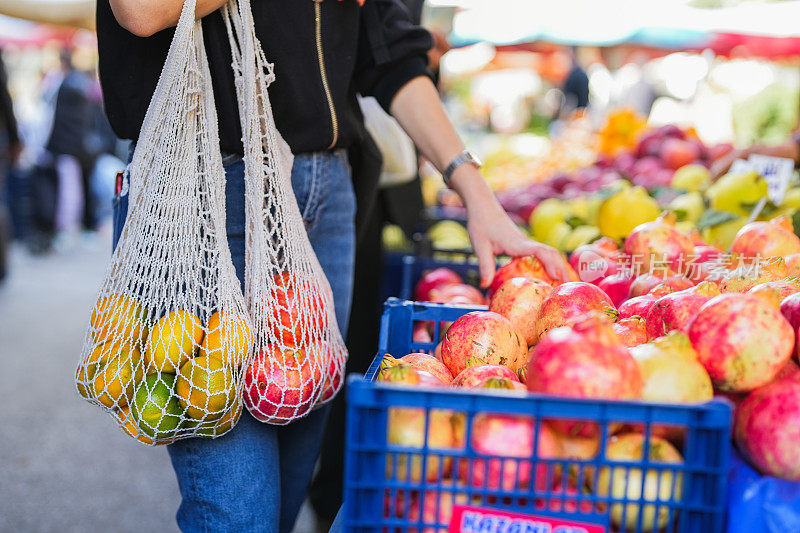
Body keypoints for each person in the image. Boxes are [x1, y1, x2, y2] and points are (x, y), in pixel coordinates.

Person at [97, 1, 571, 531]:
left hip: (326, 200)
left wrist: (474, 191)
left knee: (286, 495)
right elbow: (141, 10)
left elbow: (389, 51)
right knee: (239, 515)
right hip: (208, 194)